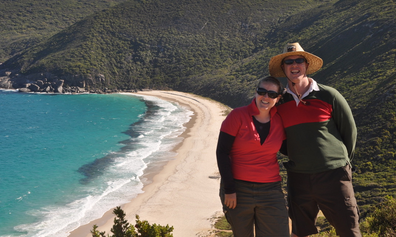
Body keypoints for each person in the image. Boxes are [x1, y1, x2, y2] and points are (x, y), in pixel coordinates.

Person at [269, 42, 361, 237]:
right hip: (298, 176)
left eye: (299, 61)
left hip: (333, 175)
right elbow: (280, 138)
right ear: (284, 69)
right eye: (289, 62)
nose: (294, 65)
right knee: (300, 232)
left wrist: (340, 162)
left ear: (306, 65)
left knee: (349, 230)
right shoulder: (280, 102)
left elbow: (349, 132)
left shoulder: (329, 95)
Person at [216, 76, 290, 237]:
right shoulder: (237, 116)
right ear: (256, 92)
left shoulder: (280, 120)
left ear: (278, 98)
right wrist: (229, 190)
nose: (265, 97)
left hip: (271, 190)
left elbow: (289, 149)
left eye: (271, 94)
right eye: (262, 92)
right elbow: (222, 152)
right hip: (238, 189)